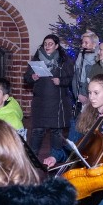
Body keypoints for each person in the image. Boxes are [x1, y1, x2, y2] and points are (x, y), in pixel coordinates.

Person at [24, 35, 74, 164]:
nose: (47, 46)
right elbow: (26, 78)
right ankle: (31, 159)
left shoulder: (65, 60)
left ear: (57, 46)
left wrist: (60, 81)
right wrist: (32, 77)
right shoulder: (36, 60)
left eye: (50, 43)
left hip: (57, 102)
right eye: (45, 43)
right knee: (37, 131)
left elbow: (71, 79)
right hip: (40, 102)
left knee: (56, 132)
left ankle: (55, 159)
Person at [63, 74, 103, 168]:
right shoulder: (86, 114)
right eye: (89, 93)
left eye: (96, 93)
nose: (91, 97)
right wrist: (54, 156)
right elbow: (72, 144)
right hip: (89, 165)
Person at [71, 30, 99, 117]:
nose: (83, 45)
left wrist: (89, 97)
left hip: (92, 96)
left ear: (94, 44)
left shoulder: (98, 59)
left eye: (86, 43)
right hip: (80, 94)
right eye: (82, 42)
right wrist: (78, 94)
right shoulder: (80, 57)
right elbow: (75, 78)